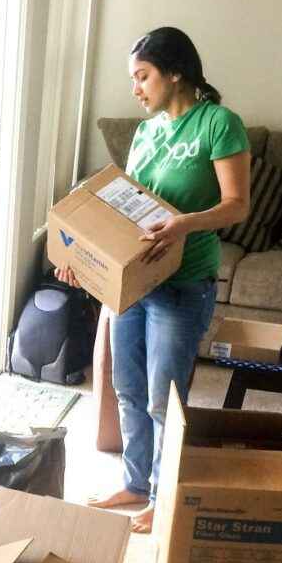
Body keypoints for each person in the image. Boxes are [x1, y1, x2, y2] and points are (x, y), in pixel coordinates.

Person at [58, 26, 250, 533]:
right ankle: (135, 483)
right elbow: (126, 211)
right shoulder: (145, 134)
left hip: (185, 283)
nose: (136, 88)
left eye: (143, 76)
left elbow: (237, 205)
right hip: (135, 283)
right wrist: (82, 254)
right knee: (126, 387)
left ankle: (163, 499)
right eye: (134, 79)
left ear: (175, 72)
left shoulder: (219, 124)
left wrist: (186, 223)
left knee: (163, 396)